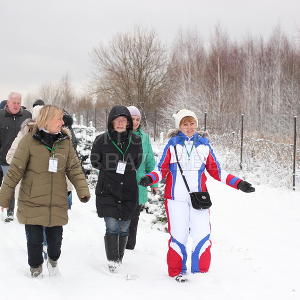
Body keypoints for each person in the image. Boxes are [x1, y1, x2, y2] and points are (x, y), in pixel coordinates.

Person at [139, 109, 255, 282]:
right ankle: (177, 271)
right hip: (175, 199)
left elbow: (217, 172)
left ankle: (200, 275)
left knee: (202, 234)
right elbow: (161, 169)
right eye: (185, 124)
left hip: (199, 199)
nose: (189, 127)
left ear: (196, 124)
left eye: (192, 123)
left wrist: (239, 183)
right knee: (178, 235)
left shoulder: (204, 145)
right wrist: (150, 178)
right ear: (179, 126)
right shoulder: (172, 144)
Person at [0, 105, 90, 277]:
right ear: (47, 120)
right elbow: (15, 171)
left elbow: (74, 168)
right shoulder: (29, 140)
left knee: (55, 243)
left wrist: (82, 190)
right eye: (59, 119)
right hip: (31, 200)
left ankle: (53, 261)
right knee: (34, 241)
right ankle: (35, 267)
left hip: (56, 201)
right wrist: (4, 198)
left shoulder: (65, 141)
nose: (63, 122)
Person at [90, 105, 142, 273]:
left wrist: (125, 168)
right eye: (117, 120)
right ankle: (113, 262)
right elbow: (94, 161)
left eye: (124, 120)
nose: (120, 123)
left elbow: (137, 161)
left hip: (128, 189)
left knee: (125, 226)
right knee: (112, 226)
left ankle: (119, 258)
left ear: (128, 123)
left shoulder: (135, 141)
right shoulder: (101, 139)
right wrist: (111, 167)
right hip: (108, 188)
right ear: (111, 122)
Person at [125, 106, 158, 250]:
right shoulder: (119, 134)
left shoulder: (144, 137)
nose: (136, 122)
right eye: (132, 119)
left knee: (134, 216)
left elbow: (150, 158)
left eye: (138, 119)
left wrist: (153, 182)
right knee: (122, 215)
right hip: (122, 181)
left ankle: (130, 247)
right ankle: (118, 244)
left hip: (139, 181)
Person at [0, 92, 32, 222]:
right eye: (14, 103)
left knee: (11, 185)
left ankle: (10, 211)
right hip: (1, 156)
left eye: (19, 103)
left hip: (15, 158)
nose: (16, 105)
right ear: (8, 103)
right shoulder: (0, 116)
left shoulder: (27, 116)